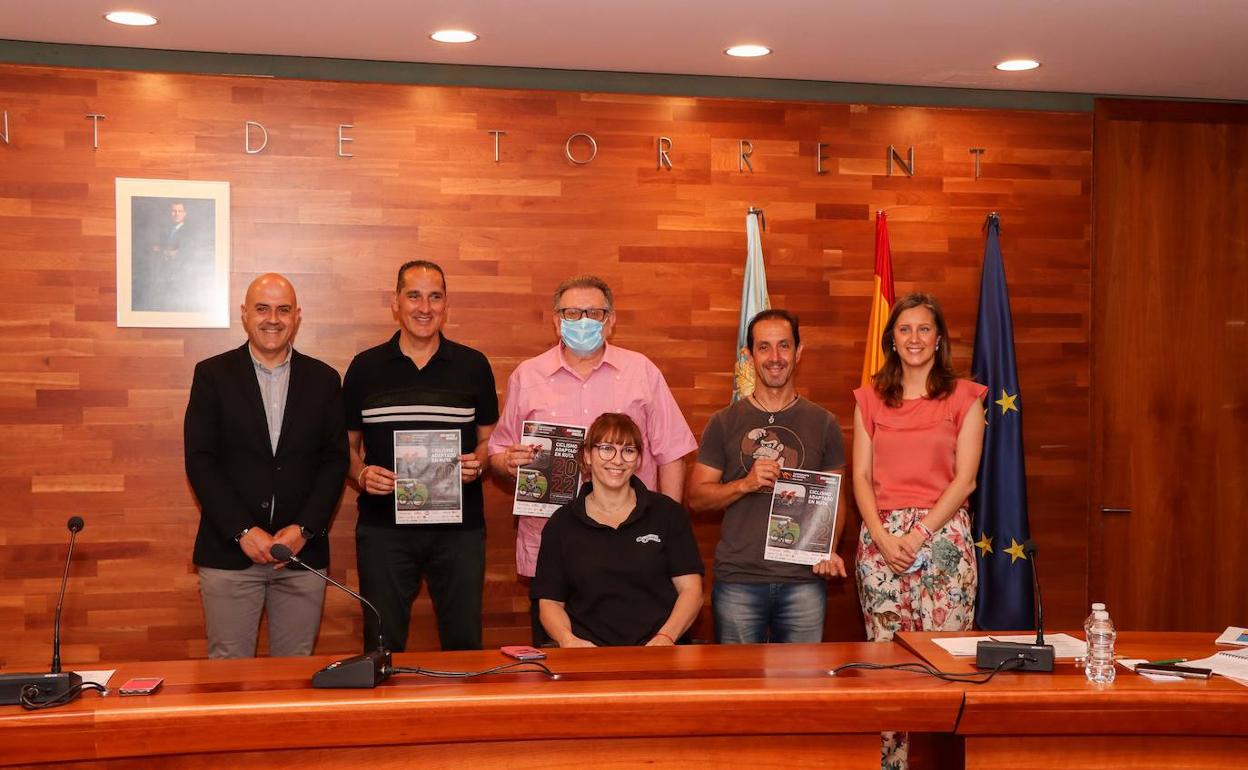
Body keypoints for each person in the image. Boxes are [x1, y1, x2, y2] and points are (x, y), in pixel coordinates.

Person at [487, 275, 697, 644]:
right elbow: (498, 454)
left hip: (637, 548)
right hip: (552, 542)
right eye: (571, 312)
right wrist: (509, 461)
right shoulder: (528, 375)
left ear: (611, 320)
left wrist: (666, 530)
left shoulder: (641, 372)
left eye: (593, 312)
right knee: (559, 656)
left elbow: (672, 451)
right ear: (556, 320)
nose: (582, 320)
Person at [852, 292, 986, 770]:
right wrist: (885, 539)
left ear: (939, 338)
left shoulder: (966, 396)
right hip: (880, 542)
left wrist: (918, 535)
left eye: (924, 329)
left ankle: (941, 762)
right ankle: (891, 764)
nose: (914, 338)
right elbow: (861, 478)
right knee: (888, 664)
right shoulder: (869, 398)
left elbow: (965, 479)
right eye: (905, 329)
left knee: (945, 663)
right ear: (892, 338)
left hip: (942, 537)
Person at [184, 273, 349, 659]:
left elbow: (335, 459)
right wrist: (242, 530)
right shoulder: (211, 375)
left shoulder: (324, 380)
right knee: (228, 673)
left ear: (297, 316)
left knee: (295, 677)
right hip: (229, 555)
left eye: (283, 309)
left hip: (301, 555)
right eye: (262, 308)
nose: (272, 318)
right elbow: (200, 460)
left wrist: (305, 529)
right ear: (244, 315)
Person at [343, 260, 498, 652]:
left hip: (459, 531)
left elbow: (489, 441)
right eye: (413, 295)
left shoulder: (474, 366)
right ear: (396, 303)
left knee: (464, 642)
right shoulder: (364, 368)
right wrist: (361, 475)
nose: (424, 307)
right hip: (384, 531)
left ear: (446, 304)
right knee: (382, 644)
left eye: (435, 297)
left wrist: (478, 463)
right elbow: (344, 449)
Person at [688, 309, 848, 644]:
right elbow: (697, 497)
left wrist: (828, 550)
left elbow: (836, 500)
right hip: (739, 580)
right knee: (739, 688)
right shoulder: (723, 422)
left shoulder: (824, 423)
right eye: (764, 347)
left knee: (802, 688)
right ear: (748, 355)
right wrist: (744, 483)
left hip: (803, 581)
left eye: (784, 346)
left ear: (798, 352)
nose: (775, 358)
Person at [532, 413, 703, 647]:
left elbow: (691, 590)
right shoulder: (561, 524)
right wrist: (568, 640)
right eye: (606, 448)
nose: (617, 460)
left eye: (628, 450)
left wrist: (666, 638)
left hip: (659, 652)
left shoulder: (668, 514)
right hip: (588, 658)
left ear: (639, 459)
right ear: (587, 456)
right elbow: (550, 603)